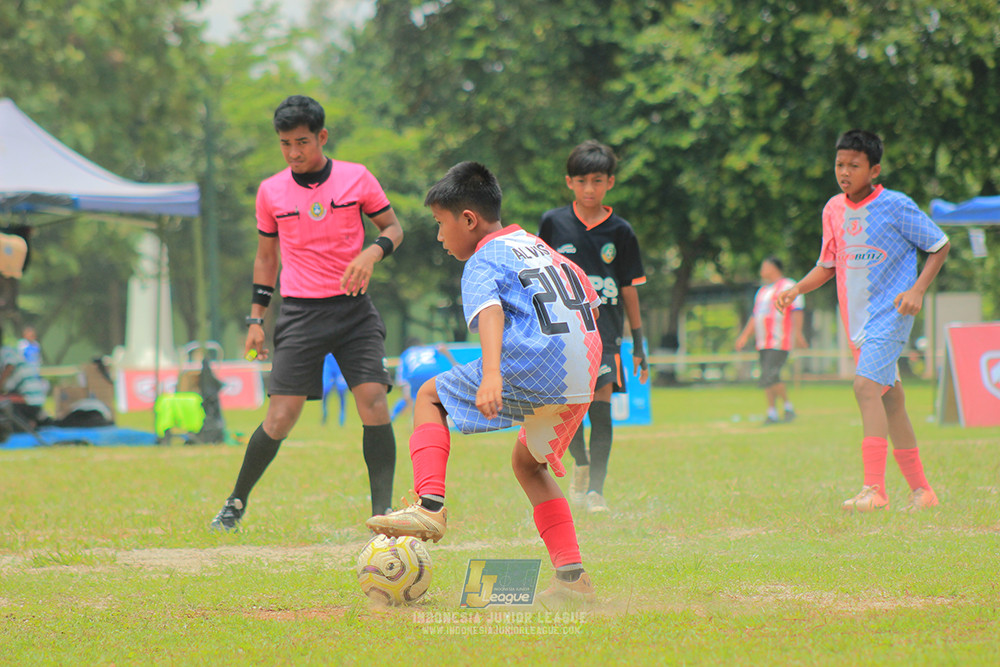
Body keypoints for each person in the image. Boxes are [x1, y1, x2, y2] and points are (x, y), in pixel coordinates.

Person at [366, 161, 603, 605]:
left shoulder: (482, 258)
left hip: (536, 362)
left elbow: (490, 312)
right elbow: (589, 302)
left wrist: (492, 373)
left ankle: (430, 507)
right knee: (527, 464)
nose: (440, 236)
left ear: (468, 220)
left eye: (441, 224)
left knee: (429, 396)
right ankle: (572, 578)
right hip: (583, 368)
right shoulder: (541, 247)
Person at [210, 95, 403, 530]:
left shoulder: (357, 179)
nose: (294, 153)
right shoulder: (271, 191)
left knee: (373, 400)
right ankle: (235, 503)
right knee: (280, 417)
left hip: (354, 311)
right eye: (285, 144)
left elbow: (393, 227)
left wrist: (371, 254)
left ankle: (383, 513)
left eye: (302, 142)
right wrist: (256, 319)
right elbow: (265, 258)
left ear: (322, 136)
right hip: (298, 313)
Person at [777, 129, 949, 513]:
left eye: (854, 165)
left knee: (863, 387)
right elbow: (827, 265)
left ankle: (875, 489)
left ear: (874, 169)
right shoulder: (833, 209)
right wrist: (796, 290)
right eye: (840, 164)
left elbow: (939, 245)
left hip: (890, 317)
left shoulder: (896, 205)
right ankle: (923, 491)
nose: (844, 172)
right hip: (857, 325)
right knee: (893, 403)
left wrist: (917, 290)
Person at [537, 140, 648, 513]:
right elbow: (541, 278)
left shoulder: (621, 232)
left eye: (597, 181)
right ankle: (581, 465)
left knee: (601, 403)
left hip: (607, 333)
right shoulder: (553, 223)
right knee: (570, 407)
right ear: (569, 182)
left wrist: (640, 341)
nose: (589, 189)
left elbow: (630, 288)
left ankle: (596, 490)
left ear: (610, 183)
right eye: (582, 181)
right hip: (564, 332)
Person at [734, 257, 808, 424]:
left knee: (770, 375)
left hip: (779, 340)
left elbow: (797, 310)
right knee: (766, 376)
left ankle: (788, 407)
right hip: (763, 341)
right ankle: (772, 412)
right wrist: (745, 336)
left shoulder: (789, 286)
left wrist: (798, 333)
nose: (762, 270)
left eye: (765, 266)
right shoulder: (762, 292)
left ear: (774, 268)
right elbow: (756, 316)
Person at [389, 339, 457, 422]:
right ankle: (450, 419)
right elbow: (442, 347)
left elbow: (402, 375)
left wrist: (405, 392)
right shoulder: (428, 348)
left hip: (416, 374)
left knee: (412, 397)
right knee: (441, 394)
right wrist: (454, 362)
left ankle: (392, 417)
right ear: (421, 344)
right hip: (433, 371)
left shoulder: (406, 353)